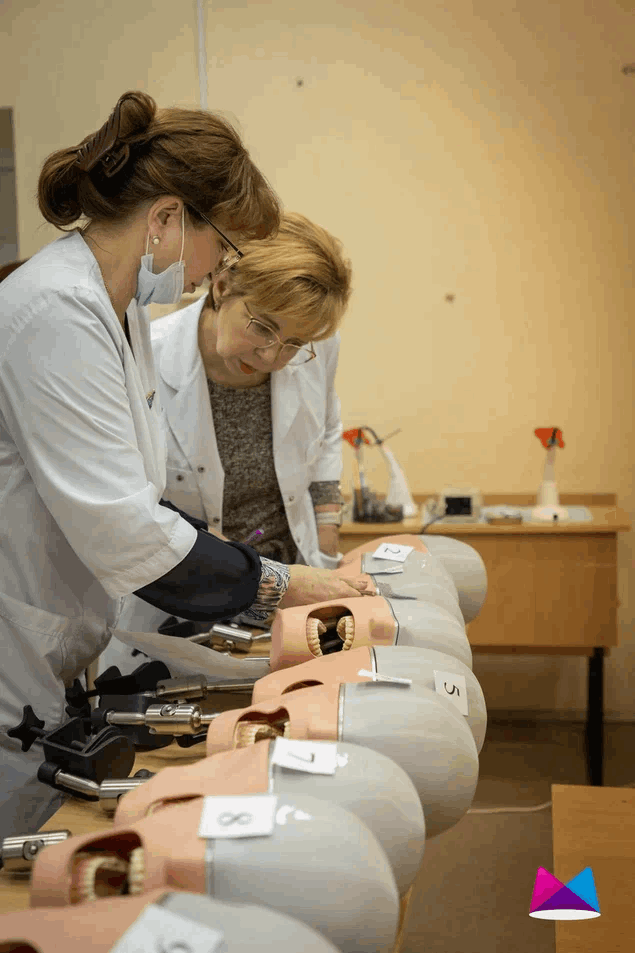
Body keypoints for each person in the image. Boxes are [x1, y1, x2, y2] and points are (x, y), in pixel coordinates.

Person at [0, 90, 368, 841]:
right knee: (29, 849)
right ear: (167, 219)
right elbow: (126, 530)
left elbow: (135, 499)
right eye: (223, 248)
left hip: (60, 626)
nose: (217, 271)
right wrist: (279, 583)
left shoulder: (118, 312)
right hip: (16, 629)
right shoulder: (56, 310)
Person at [100, 212, 352, 670]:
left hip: (293, 584)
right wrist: (232, 566)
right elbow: (131, 504)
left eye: (295, 343)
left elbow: (328, 430)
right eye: (262, 327)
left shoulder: (319, 349)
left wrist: (328, 535)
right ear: (221, 288)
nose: (272, 356)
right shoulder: (145, 355)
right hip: (184, 597)